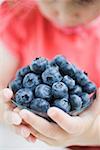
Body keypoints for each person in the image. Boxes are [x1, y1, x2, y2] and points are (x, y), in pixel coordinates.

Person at [0, 0, 100, 149]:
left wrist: (88, 133)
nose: (63, 14)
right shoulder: (20, 14)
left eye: (83, 2)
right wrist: (6, 113)